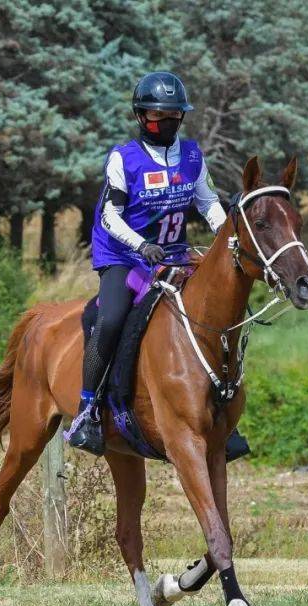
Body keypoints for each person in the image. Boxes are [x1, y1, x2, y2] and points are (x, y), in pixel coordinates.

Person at [65, 71, 248, 459]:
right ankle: (87, 412)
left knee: (220, 315)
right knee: (112, 318)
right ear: (140, 117)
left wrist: (228, 236)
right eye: (156, 117)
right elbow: (110, 217)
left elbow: (209, 204)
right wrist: (141, 244)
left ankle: (223, 416)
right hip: (124, 256)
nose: (165, 124)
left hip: (174, 254)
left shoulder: (193, 155)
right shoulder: (123, 158)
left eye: (173, 117)